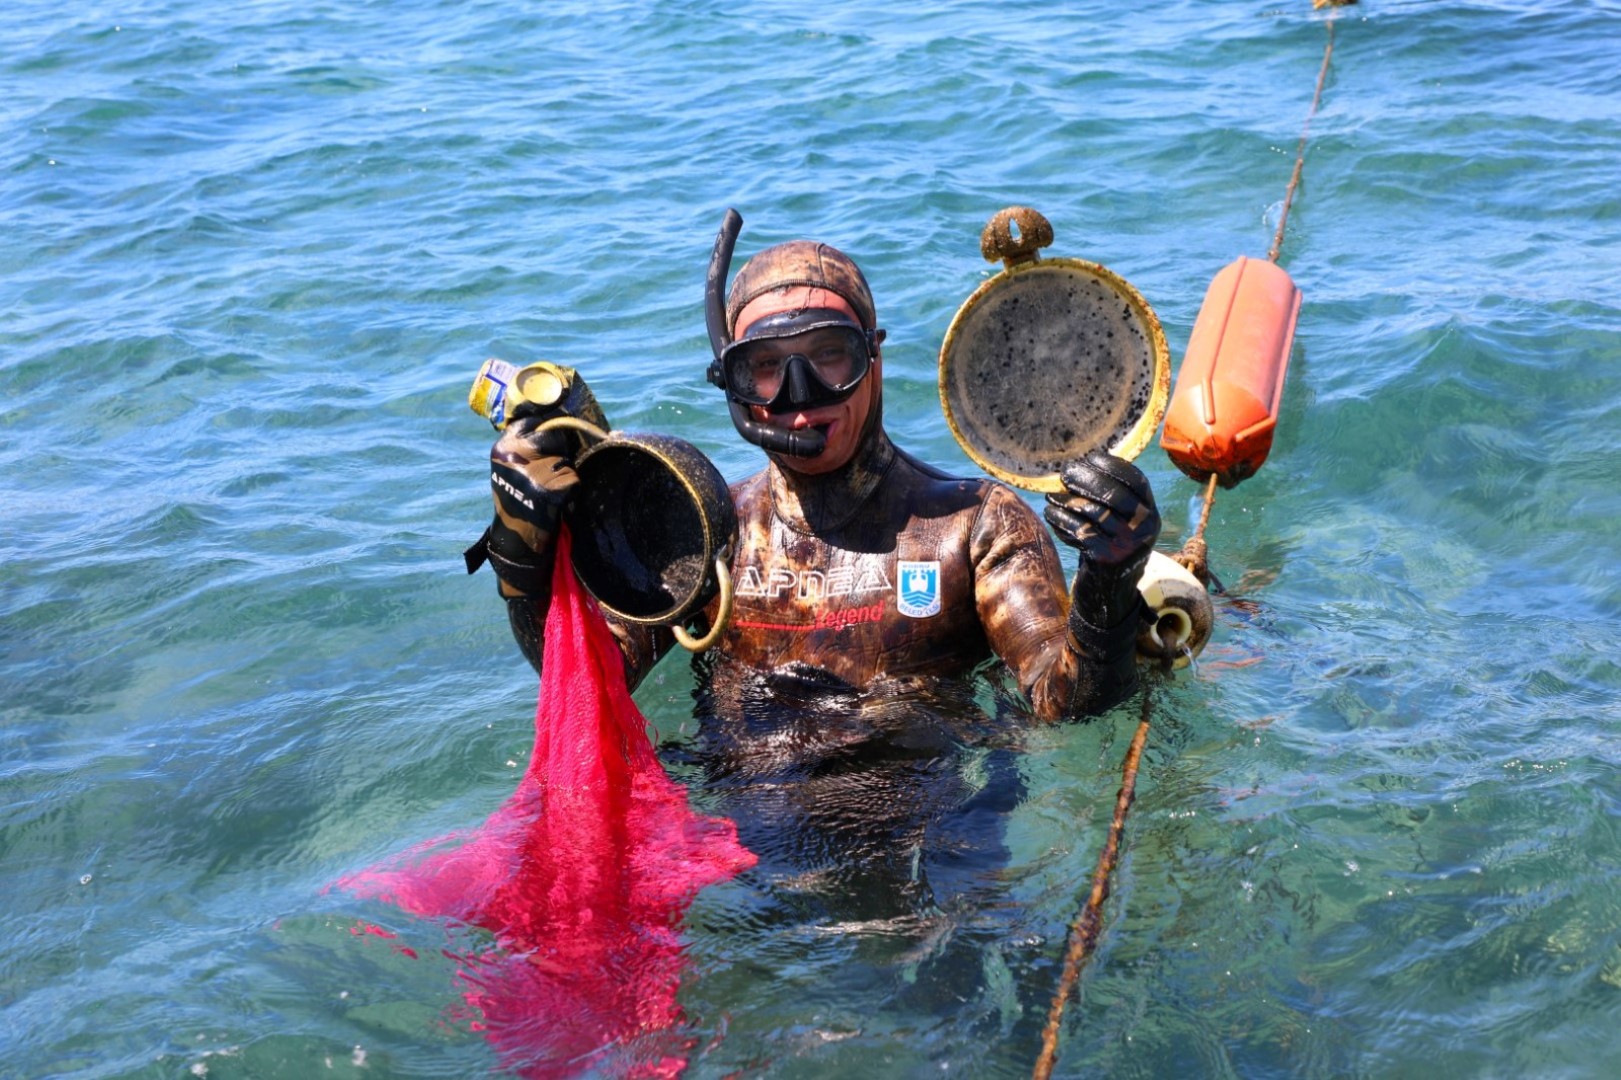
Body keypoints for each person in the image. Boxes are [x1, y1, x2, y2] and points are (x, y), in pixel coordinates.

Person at [471, 228, 1162, 725]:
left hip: (924, 846)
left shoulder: (971, 525)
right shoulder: (709, 529)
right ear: (734, 386)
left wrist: (1108, 580)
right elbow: (591, 690)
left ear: (876, 358)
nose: (799, 394)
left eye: (830, 356)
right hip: (740, 851)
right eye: (765, 368)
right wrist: (523, 564)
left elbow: (1066, 703)